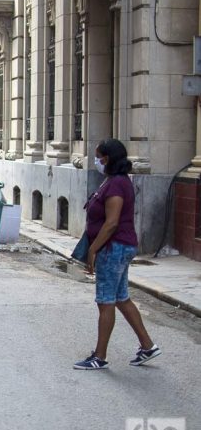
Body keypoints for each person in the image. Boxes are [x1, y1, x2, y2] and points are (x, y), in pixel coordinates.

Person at [73, 138, 161, 370]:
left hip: (113, 248)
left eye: (98, 156)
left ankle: (99, 356)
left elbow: (111, 223)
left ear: (107, 158)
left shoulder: (117, 184)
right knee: (121, 298)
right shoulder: (112, 181)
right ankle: (147, 345)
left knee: (106, 301)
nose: (96, 161)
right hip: (118, 246)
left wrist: (93, 249)